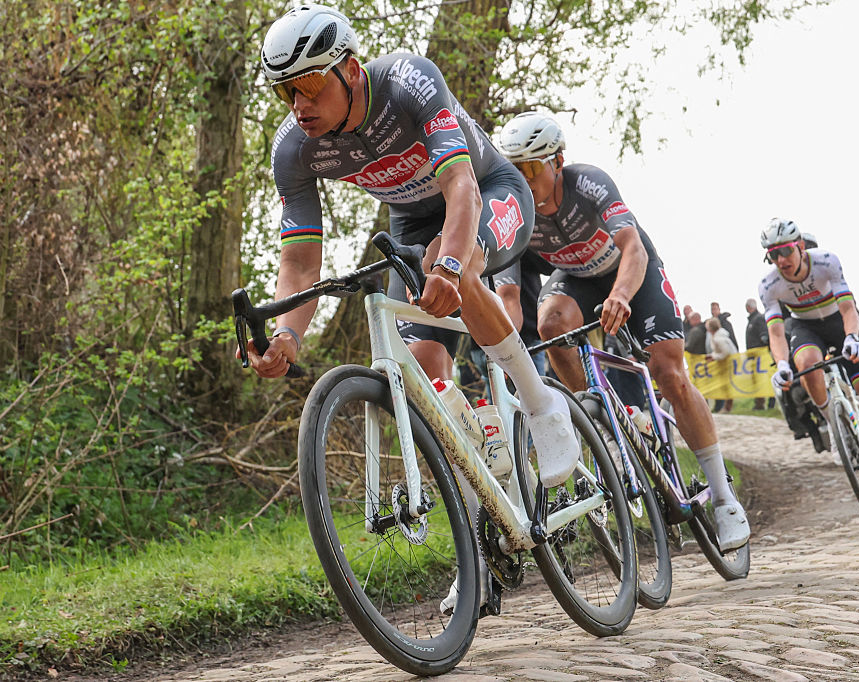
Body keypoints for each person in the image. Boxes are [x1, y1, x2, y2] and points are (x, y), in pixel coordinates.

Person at [249, 6, 585, 615]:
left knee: (449, 258)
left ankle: (542, 406)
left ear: (349, 69)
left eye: (308, 84)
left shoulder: (407, 81)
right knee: (426, 378)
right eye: (284, 90)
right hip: (408, 217)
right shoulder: (294, 151)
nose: (297, 104)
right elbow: (300, 261)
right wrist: (286, 337)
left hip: (489, 191)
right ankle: (479, 542)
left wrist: (454, 264)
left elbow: (462, 187)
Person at [496, 112, 749, 550]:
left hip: (630, 271)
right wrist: (499, 346)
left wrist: (622, 295)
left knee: (670, 376)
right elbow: (511, 296)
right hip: (574, 276)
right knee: (551, 324)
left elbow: (633, 246)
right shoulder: (514, 208)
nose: (524, 179)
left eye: (533, 168)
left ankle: (724, 499)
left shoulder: (588, 183)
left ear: (557, 161)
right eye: (514, 169)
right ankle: (608, 423)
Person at [757, 218, 859, 499]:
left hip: (839, 321)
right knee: (805, 363)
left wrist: (852, 338)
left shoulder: (826, 262)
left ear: (801, 247)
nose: (780, 260)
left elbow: (848, 309)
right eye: (773, 254)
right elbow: (776, 332)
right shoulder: (768, 285)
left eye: (785, 251)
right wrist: (782, 363)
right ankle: (834, 422)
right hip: (805, 326)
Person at [745, 298, 774, 410]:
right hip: (754, 357)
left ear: (749, 307)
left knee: (764, 379)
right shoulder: (751, 320)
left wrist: (764, 340)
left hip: (761, 357)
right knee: (757, 381)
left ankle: (771, 404)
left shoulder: (759, 318)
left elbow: (764, 334)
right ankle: (759, 404)